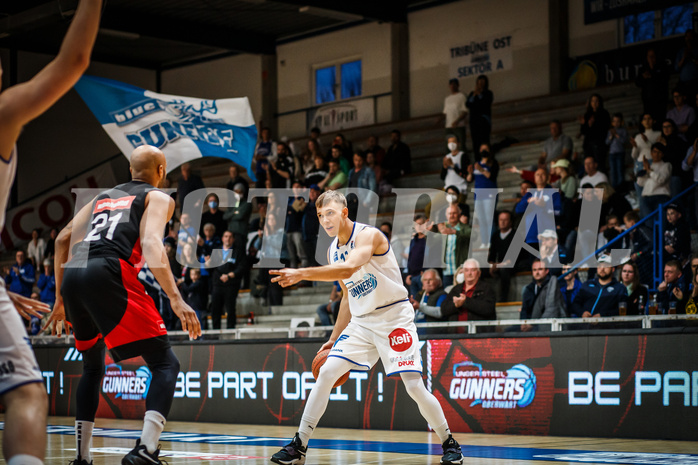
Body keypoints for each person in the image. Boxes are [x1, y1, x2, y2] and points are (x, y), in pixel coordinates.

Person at [269, 190, 464, 465]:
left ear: (344, 213)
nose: (325, 220)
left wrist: (301, 273)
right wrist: (334, 337)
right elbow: (348, 295)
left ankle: (449, 443)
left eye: (330, 214)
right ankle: (299, 445)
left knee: (414, 386)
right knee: (326, 373)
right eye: (320, 215)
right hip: (361, 323)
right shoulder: (331, 249)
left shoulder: (369, 236)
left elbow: (348, 269)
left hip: (394, 317)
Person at [45, 145, 201, 465]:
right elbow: (151, 243)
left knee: (92, 367)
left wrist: (60, 299)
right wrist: (176, 298)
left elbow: (62, 240)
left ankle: (82, 457)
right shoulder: (158, 197)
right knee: (164, 364)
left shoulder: (102, 197)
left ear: (130, 171)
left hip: (74, 273)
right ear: (161, 171)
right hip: (109, 271)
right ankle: (145, 449)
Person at [441, 259, 496, 331]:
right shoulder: (456, 289)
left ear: (479, 273)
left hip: (478, 336)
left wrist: (466, 301)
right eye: (466, 270)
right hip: (455, 337)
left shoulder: (487, 288)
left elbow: (488, 309)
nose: (469, 273)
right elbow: (444, 309)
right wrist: (456, 305)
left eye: (473, 270)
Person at [208, 230, 246, 329]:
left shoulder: (238, 252)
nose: (227, 239)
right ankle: (215, 333)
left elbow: (242, 267)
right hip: (217, 284)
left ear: (233, 239)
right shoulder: (216, 251)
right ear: (222, 238)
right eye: (225, 236)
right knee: (215, 309)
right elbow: (212, 267)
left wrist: (230, 275)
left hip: (231, 284)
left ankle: (230, 330)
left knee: (230, 308)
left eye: (230, 237)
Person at [519, 260, 566, 331]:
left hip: (545, 325)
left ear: (547, 271)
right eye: (534, 270)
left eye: (540, 269)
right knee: (508, 332)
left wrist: (532, 325)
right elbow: (524, 309)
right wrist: (523, 323)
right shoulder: (528, 288)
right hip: (529, 324)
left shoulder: (552, 285)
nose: (537, 272)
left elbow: (551, 310)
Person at [466, 144, 499, 247]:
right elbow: (469, 179)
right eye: (482, 149)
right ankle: (484, 241)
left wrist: (481, 170)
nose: (483, 151)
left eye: (486, 149)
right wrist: (470, 173)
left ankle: (492, 241)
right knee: (481, 219)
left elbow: (491, 177)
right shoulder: (476, 164)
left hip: (489, 194)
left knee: (489, 218)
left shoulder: (493, 163)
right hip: (478, 195)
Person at [630, 113, 661, 206]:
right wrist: (635, 147)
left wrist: (647, 141)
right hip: (639, 164)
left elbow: (658, 149)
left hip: (653, 164)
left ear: (654, 121)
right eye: (644, 119)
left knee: (653, 193)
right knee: (642, 195)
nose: (647, 121)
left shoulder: (658, 134)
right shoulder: (638, 136)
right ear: (642, 122)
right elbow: (633, 155)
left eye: (649, 118)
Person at [437, 205, 471, 287]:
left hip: (460, 269)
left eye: (454, 213)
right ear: (446, 216)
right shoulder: (443, 228)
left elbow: (474, 235)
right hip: (447, 270)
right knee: (448, 294)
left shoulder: (464, 227)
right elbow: (431, 242)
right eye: (449, 213)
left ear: (459, 214)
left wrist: (455, 232)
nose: (452, 215)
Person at [487, 211, 517, 301]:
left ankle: (503, 299)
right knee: (479, 270)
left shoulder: (516, 235)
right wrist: (491, 265)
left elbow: (513, 259)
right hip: (499, 264)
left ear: (510, 222)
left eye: (505, 220)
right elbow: (492, 254)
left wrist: (498, 265)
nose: (502, 222)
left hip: (514, 264)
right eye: (500, 220)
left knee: (504, 270)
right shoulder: (495, 235)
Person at [637, 143, 671, 219]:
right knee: (647, 223)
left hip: (661, 197)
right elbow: (640, 183)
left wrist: (649, 171)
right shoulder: (649, 166)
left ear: (662, 154)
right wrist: (645, 170)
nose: (656, 154)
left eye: (659, 152)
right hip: (646, 198)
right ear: (651, 153)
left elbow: (661, 180)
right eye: (654, 152)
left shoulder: (666, 165)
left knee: (661, 223)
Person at [635, 48, 670, 124]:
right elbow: (637, 83)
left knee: (660, 118)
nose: (651, 58)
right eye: (649, 56)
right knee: (649, 119)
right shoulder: (643, 68)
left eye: (653, 56)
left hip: (660, 99)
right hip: (648, 100)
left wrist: (653, 73)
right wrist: (643, 77)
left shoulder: (662, 66)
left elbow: (665, 79)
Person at [410, 269, 449, 334]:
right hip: (417, 334)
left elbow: (439, 312)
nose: (427, 282)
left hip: (433, 335)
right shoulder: (419, 295)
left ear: (438, 281)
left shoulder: (442, 294)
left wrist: (419, 306)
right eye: (425, 280)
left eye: (430, 279)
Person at [579, 93, 611, 169]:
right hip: (588, 144)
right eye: (592, 101)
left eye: (596, 101)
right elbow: (583, 131)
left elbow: (605, 128)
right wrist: (586, 124)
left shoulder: (604, 113)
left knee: (600, 165)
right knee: (589, 165)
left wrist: (594, 124)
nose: (594, 103)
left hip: (599, 144)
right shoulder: (587, 114)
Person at [466, 75, 493, 157]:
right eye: (479, 82)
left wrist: (480, 95)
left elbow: (485, 104)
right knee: (475, 141)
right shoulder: (472, 94)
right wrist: (475, 95)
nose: (480, 84)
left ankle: (487, 158)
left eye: (482, 82)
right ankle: (477, 159)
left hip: (484, 120)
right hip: (474, 121)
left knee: (484, 140)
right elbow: (468, 104)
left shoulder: (488, 93)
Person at [443, 78, 468, 152]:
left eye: (454, 85)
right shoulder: (447, 99)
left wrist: (457, 121)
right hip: (448, 126)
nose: (453, 86)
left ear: (458, 85)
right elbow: (446, 113)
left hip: (459, 126)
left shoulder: (462, 96)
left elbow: (465, 111)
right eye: (451, 85)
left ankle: (463, 161)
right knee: (448, 147)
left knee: (461, 146)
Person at [606, 113, 629, 189]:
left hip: (620, 153)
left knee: (620, 170)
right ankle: (614, 187)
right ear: (612, 122)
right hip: (612, 154)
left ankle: (621, 187)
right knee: (613, 171)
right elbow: (607, 142)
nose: (616, 123)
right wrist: (611, 136)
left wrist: (616, 135)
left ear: (621, 122)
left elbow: (624, 141)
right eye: (614, 121)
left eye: (618, 121)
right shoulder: (610, 131)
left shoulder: (623, 131)